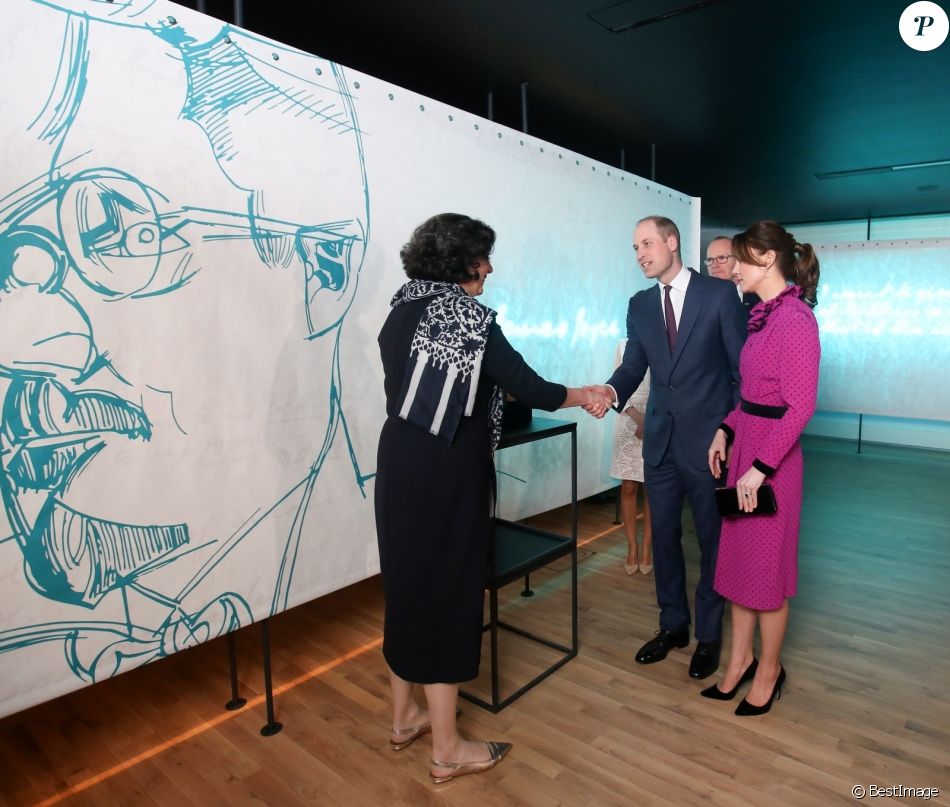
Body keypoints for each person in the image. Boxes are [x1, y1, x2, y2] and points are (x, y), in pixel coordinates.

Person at [375, 213, 609, 783]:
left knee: (407, 586)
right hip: (446, 472)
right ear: (461, 262)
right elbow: (529, 386)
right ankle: (447, 749)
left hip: (400, 464)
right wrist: (587, 394)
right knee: (450, 592)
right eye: (484, 257)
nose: (490, 267)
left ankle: (405, 717)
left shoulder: (401, 308)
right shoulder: (463, 317)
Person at [588, 215, 746, 679]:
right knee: (666, 541)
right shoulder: (638, 305)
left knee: (713, 543)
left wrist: (729, 431)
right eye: (635, 246)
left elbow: (740, 373)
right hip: (657, 443)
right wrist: (609, 393)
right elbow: (634, 366)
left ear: (673, 242)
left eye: (648, 243)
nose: (640, 253)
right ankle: (673, 625)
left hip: (708, 444)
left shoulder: (718, 295)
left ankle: (709, 637)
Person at [704, 221, 820, 715]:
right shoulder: (762, 316)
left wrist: (759, 468)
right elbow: (751, 396)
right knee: (736, 568)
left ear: (768, 260)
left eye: (739, 259)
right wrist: (726, 429)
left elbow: (799, 407)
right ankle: (739, 661)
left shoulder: (795, 319)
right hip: (746, 450)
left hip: (771, 463)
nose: (730, 269)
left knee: (767, 577)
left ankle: (769, 670)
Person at [608, 341, 653, 575]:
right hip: (628, 416)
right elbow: (615, 387)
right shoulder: (623, 345)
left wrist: (651, 420)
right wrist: (637, 417)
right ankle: (632, 547)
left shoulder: (665, 340)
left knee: (652, 487)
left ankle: (646, 547)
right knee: (628, 487)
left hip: (656, 416)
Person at [707, 235, 759, 315]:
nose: (714, 265)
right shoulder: (699, 300)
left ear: (738, 259)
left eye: (721, 258)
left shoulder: (759, 299)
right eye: (710, 260)